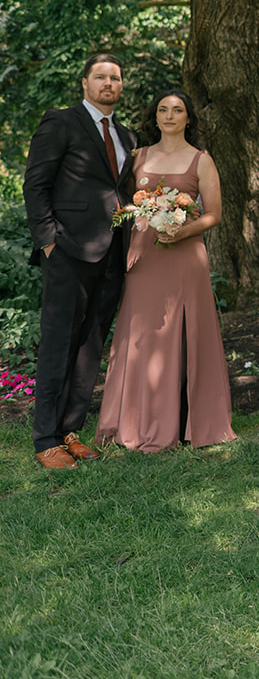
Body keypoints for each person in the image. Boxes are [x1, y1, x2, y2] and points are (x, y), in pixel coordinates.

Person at [95, 90, 234, 453]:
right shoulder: (138, 156)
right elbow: (122, 204)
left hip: (186, 257)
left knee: (185, 331)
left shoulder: (201, 160)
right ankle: (136, 420)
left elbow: (214, 214)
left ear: (189, 118)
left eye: (177, 110)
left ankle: (190, 421)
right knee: (142, 334)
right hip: (145, 259)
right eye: (163, 110)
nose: (170, 116)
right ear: (154, 117)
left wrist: (183, 230)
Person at [23, 53, 136, 469]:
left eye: (116, 78)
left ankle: (71, 430)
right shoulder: (62, 121)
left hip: (113, 254)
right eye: (101, 77)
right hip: (68, 251)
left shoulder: (127, 135)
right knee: (58, 344)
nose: (109, 83)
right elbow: (35, 184)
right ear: (85, 83)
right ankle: (45, 439)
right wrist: (49, 241)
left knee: (90, 345)